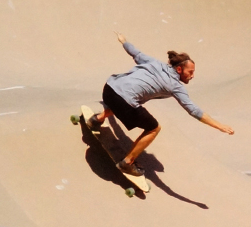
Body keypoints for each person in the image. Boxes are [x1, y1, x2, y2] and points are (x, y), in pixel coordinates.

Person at [86, 32, 234, 176]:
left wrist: (124, 41)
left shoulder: (154, 63)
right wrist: (219, 126)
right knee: (153, 128)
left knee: (128, 100)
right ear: (179, 69)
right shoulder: (176, 86)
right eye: (190, 72)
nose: (192, 76)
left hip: (109, 89)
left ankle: (96, 119)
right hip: (123, 101)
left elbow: (135, 53)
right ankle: (127, 162)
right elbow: (193, 110)